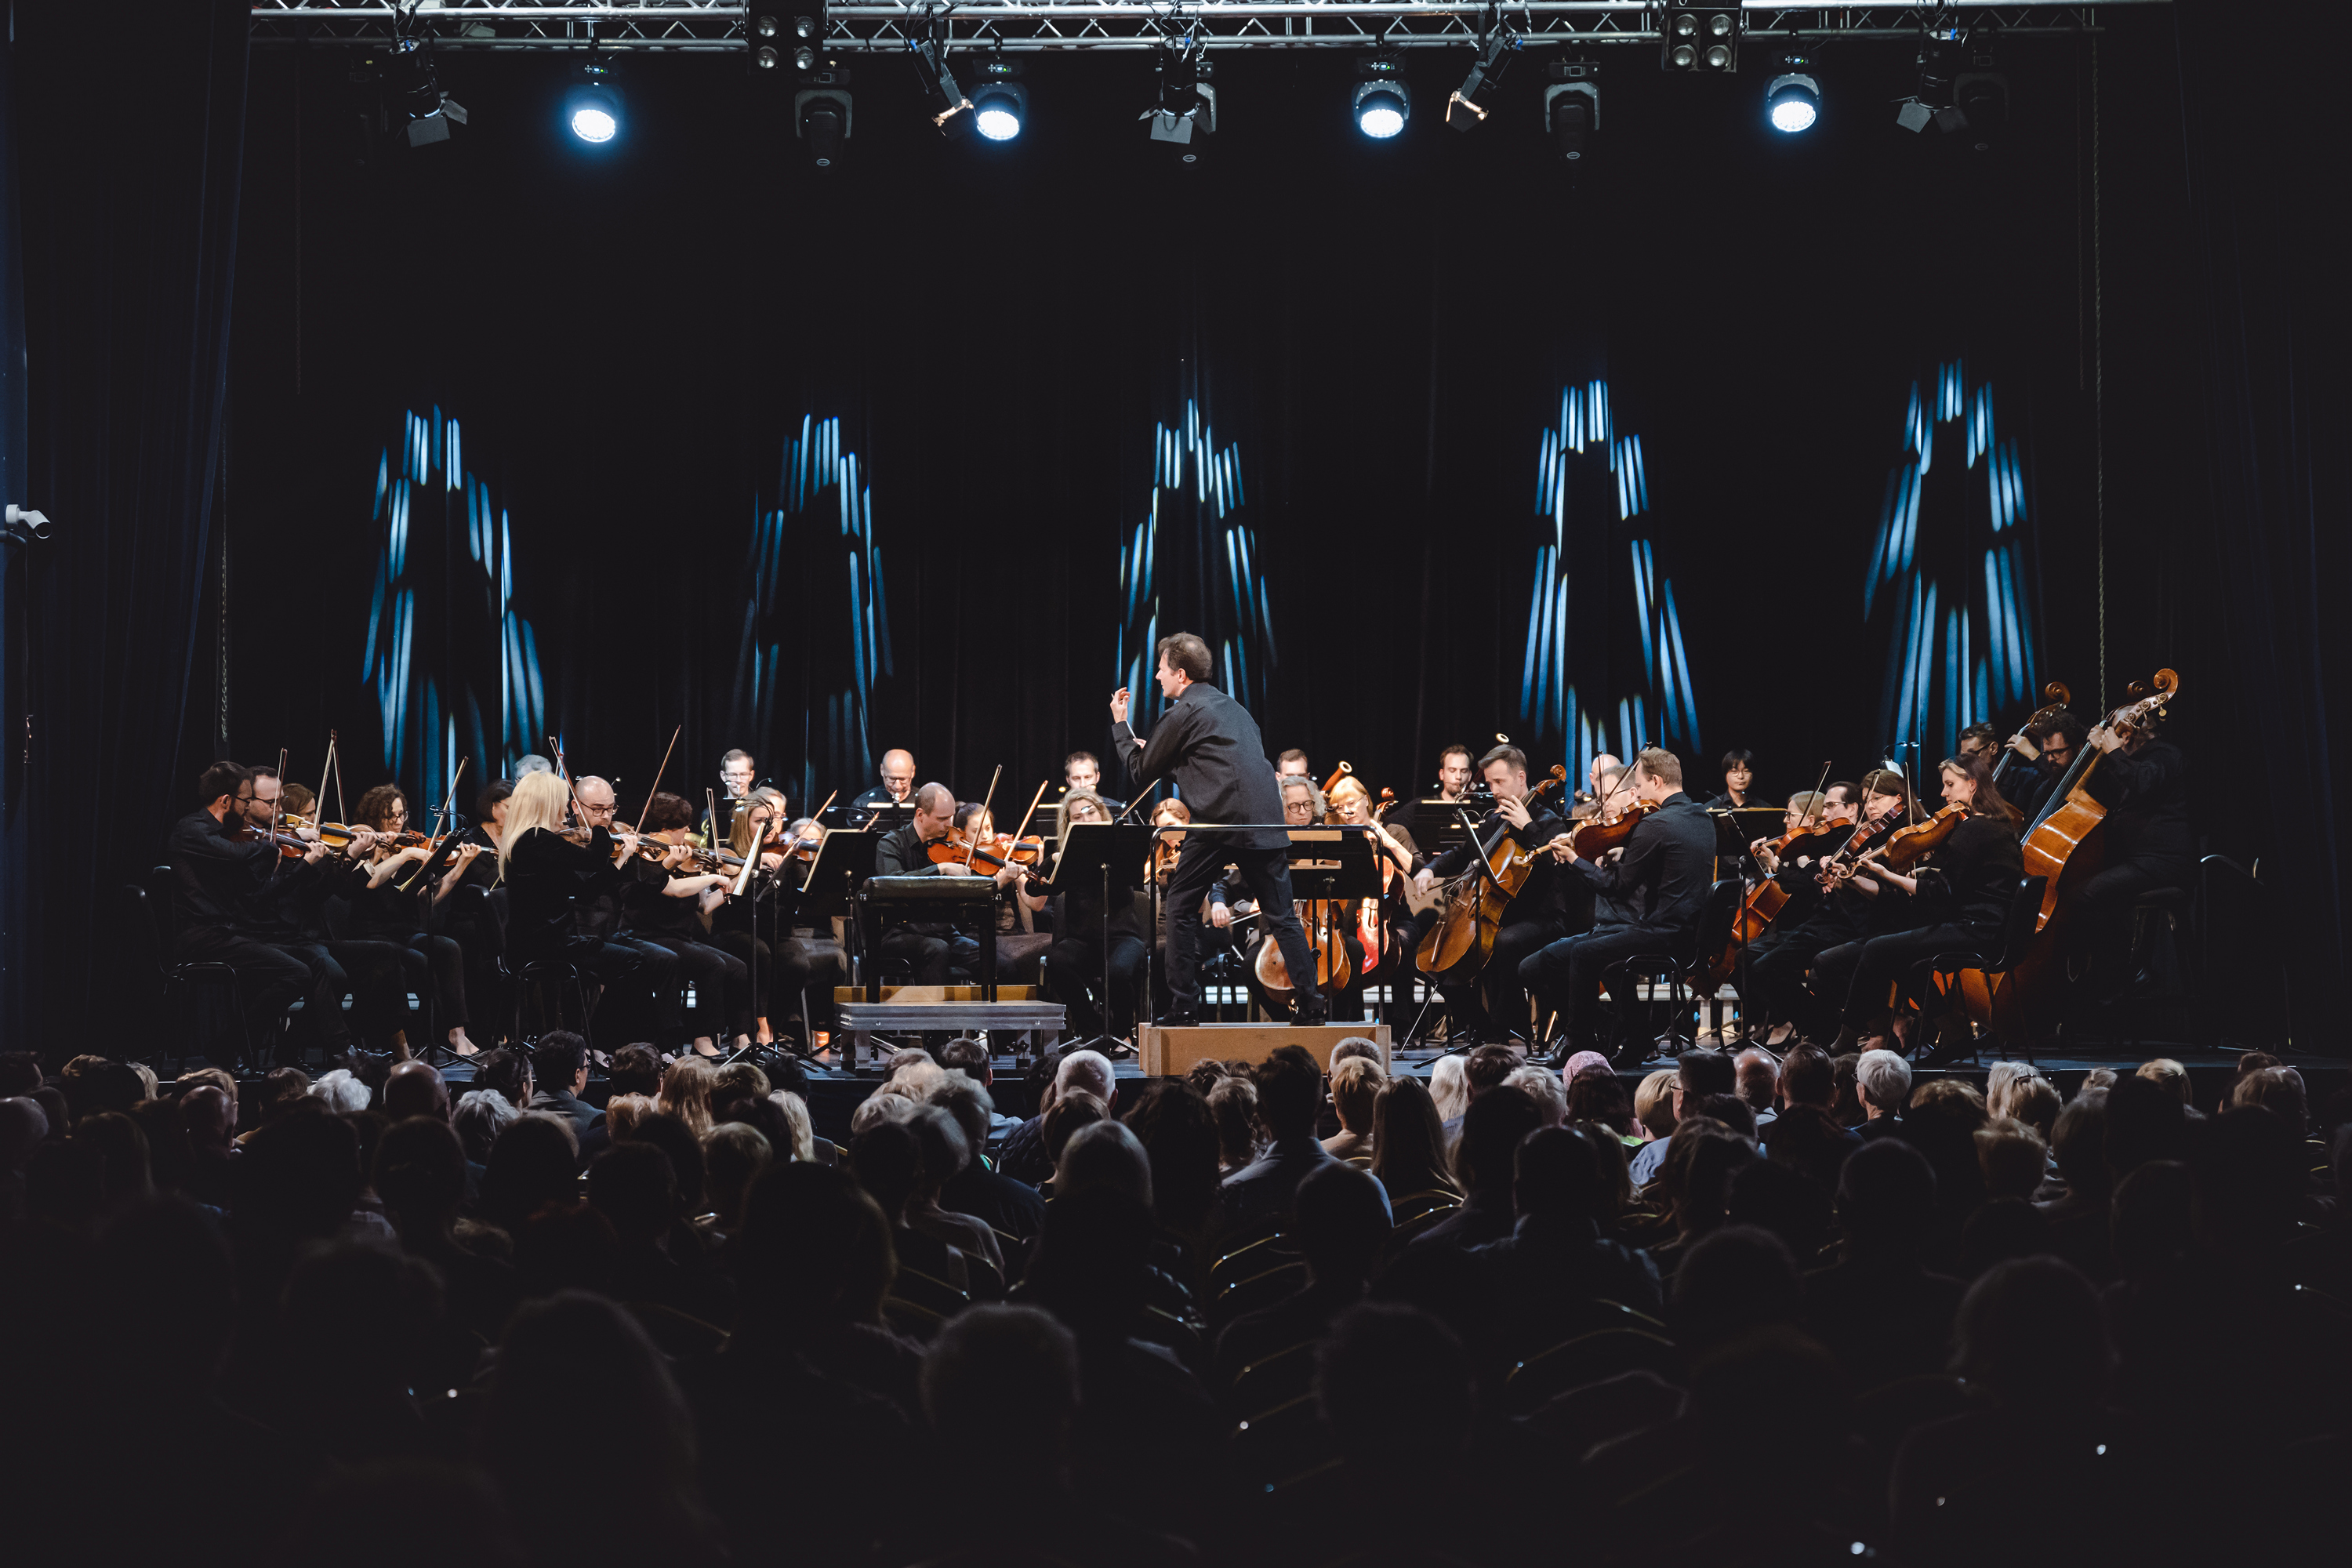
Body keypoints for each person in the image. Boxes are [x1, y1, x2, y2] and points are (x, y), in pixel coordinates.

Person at [1110, 632, 1326, 1028]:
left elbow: (1141, 772)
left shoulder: (1181, 713)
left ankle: (1185, 1007)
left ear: (1180, 673)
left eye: (1161, 670)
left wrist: (1122, 729)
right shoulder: (1235, 709)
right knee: (1283, 917)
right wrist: (1159, 752)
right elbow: (1214, 767)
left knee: (1179, 905)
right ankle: (1312, 1004)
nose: (1157, 677)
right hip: (1261, 820)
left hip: (1218, 822)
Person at [1814, 753, 2024, 1055]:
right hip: (1984, 926)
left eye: (1950, 785)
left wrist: (1887, 875)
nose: (1944, 793)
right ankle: (1954, 1033)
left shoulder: (1975, 829)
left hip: (1977, 929)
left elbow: (1942, 891)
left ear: (1973, 785)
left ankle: (1846, 1040)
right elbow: (1957, 883)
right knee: (1899, 954)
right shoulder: (1995, 826)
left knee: (1878, 949)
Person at [1523, 748, 1715, 1063]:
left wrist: (1575, 860)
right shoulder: (1701, 817)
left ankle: (1579, 1044)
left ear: (1656, 780)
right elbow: (1670, 866)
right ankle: (1638, 1040)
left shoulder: (1656, 825)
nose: (1636, 793)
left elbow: (1616, 887)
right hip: (1689, 934)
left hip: (1662, 934)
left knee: (1586, 954)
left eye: (1638, 785)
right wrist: (1621, 855)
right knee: (1604, 955)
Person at [166, 760, 358, 1064]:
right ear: (226, 800)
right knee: (296, 972)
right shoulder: (192, 829)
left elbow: (258, 895)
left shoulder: (228, 834)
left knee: (315, 964)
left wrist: (292, 851)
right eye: (245, 802)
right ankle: (231, 1045)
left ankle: (338, 1048)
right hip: (202, 937)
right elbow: (235, 853)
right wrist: (273, 843)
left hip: (229, 935)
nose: (247, 810)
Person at [1410, 743, 1570, 1045]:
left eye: (1500, 782)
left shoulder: (1547, 821)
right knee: (1431, 956)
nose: (1493, 790)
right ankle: (1482, 1027)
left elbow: (1559, 866)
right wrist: (1430, 869)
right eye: (1490, 783)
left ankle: (1502, 1031)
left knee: (1503, 943)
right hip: (1498, 915)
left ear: (1521, 778)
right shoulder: (1495, 820)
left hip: (1543, 917)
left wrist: (1528, 828)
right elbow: (1462, 852)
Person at [345, 782, 482, 1057]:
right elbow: (371, 882)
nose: (398, 823)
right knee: (419, 962)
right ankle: (404, 1043)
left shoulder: (408, 850)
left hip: (406, 933)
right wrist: (405, 854)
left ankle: (457, 1033)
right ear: (374, 818)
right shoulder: (361, 848)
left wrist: (459, 867)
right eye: (390, 816)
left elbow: (427, 899)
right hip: (372, 936)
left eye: (402, 815)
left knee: (447, 947)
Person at [625, 791, 753, 1054]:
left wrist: (737, 880)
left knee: (738, 968)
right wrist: (710, 879)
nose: (687, 833)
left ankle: (741, 1036)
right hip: (651, 936)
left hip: (682, 937)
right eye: (684, 827)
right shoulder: (644, 860)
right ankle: (701, 1038)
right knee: (712, 965)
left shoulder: (686, 861)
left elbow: (704, 906)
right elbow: (673, 889)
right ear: (667, 829)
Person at [873, 782, 1012, 985]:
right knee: (937, 949)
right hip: (899, 933)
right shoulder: (891, 844)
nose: (949, 825)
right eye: (942, 819)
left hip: (943, 932)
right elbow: (894, 883)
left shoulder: (950, 845)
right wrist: (940, 869)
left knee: (1002, 966)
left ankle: (985, 1016)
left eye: (951, 817)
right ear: (920, 815)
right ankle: (933, 1016)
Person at [1043, 789, 1145, 1044]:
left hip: (1123, 938)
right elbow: (1039, 887)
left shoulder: (1120, 846)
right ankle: (1094, 1030)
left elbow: (1138, 880)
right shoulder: (1069, 858)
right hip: (1082, 942)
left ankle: (1123, 1034)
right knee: (1057, 961)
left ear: (1101, 811)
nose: (1086, 819)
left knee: (1119, 972)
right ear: (1069, 824)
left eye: (1090, 812)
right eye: (1077, 816)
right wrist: (1055, 858)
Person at [849, 748, 917, 823]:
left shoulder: (926, 801)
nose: (897, 786)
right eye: (892, 779)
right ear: (882, 770)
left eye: (903, 779)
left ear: (913, 772)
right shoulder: (862, 803)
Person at [1704, 748, 1775, 812]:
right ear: (1725, 774)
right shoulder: (1711, 808)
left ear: (1752, 774)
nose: (1741, 776)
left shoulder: (1765, 808)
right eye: (1734, 771)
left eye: (1746, 771)